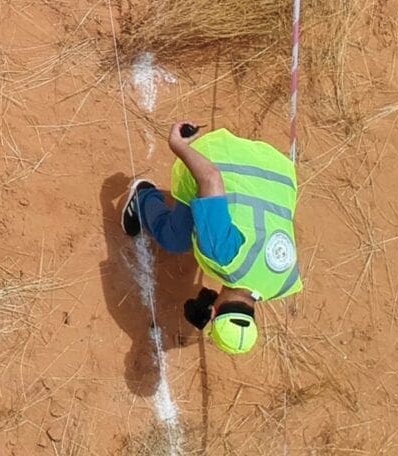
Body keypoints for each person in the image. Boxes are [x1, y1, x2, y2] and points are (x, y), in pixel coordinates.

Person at [121, 121, 302, 356]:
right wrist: (178, 146)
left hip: (277, 169)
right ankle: (143, 197)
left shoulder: (284, 283)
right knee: (174, 239)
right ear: (213, 313)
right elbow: (210, 178)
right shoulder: (221, 253)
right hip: (221, 157)